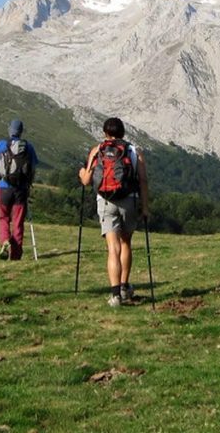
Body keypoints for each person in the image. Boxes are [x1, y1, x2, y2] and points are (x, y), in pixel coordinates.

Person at [78, 117, 150, 307]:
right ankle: (125, 287)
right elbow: (143, 180)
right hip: (129, 200)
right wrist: (145, 207)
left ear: (105, 133)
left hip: (106, 201)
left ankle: (115, 294)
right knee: (126, 242)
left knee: (113, 248)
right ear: (123, 133)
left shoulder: (97, 151)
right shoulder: (134, 151)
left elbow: (86, 181)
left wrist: (81, 173)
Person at [0, 118, 39, 260]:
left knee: (3, 217)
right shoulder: (29, 147)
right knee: (18, 221)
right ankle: (15, 255)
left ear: (10, 130)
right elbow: (32, 169)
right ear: (21, 131)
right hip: (21, 189)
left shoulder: (0, 145)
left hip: (3, 187)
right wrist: (29, 184)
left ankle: (5, 241)